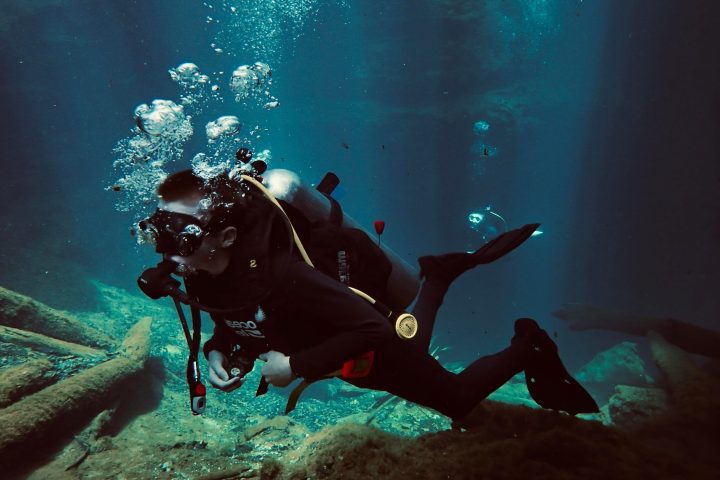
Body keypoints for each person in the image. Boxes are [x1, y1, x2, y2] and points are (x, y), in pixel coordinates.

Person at [138, 168, 597, 421]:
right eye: (159, 233)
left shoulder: (285, 275)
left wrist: (294, 366)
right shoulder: (202, 271)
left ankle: (529, 343)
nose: (168, 252)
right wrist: (221, 352)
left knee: (456, 401)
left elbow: (372, 328)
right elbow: (233, 320)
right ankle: (436, 277)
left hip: (356, 344)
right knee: (410, 348)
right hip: (334, 350)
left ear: (228, 235)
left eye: (181, 235)